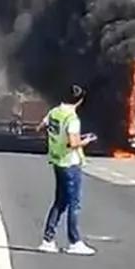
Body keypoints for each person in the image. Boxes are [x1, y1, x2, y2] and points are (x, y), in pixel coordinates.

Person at [36, 85, 96, 255]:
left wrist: (54, 140)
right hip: (70, 164)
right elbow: (73, 143)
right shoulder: (72, 118)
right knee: (74, 204)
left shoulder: (54, 112)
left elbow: (40, 127)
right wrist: (87, 140)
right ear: (79, 101)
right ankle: (74, 242)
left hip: (57, 162)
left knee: (60, 202)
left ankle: (48, 240)